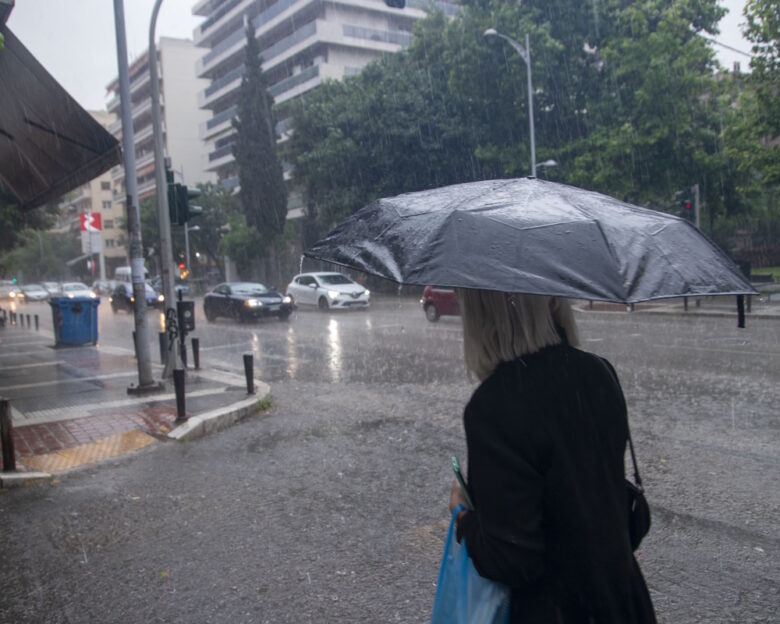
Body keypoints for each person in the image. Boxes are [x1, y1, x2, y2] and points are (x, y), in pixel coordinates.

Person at [447, 289, 656, 623]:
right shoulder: (599, 372)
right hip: (623, 601)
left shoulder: (494, 406)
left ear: (482, 309)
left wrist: (463, 515)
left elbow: (511, 558)